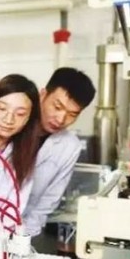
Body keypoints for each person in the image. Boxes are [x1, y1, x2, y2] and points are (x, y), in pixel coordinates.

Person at [23, 67, 96, 236]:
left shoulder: (70, 146)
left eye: (72, 114)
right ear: (42, 95)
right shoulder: (15, 124)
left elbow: (49, 200)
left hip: (25, 230)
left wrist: (24, 236)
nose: (61, 119)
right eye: (57, 107)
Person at [0, 75, 41, 228]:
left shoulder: (24, 157)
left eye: (20, 114)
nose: (9, 119)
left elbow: (11, 214)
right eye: (2, 108)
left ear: (29, 118)